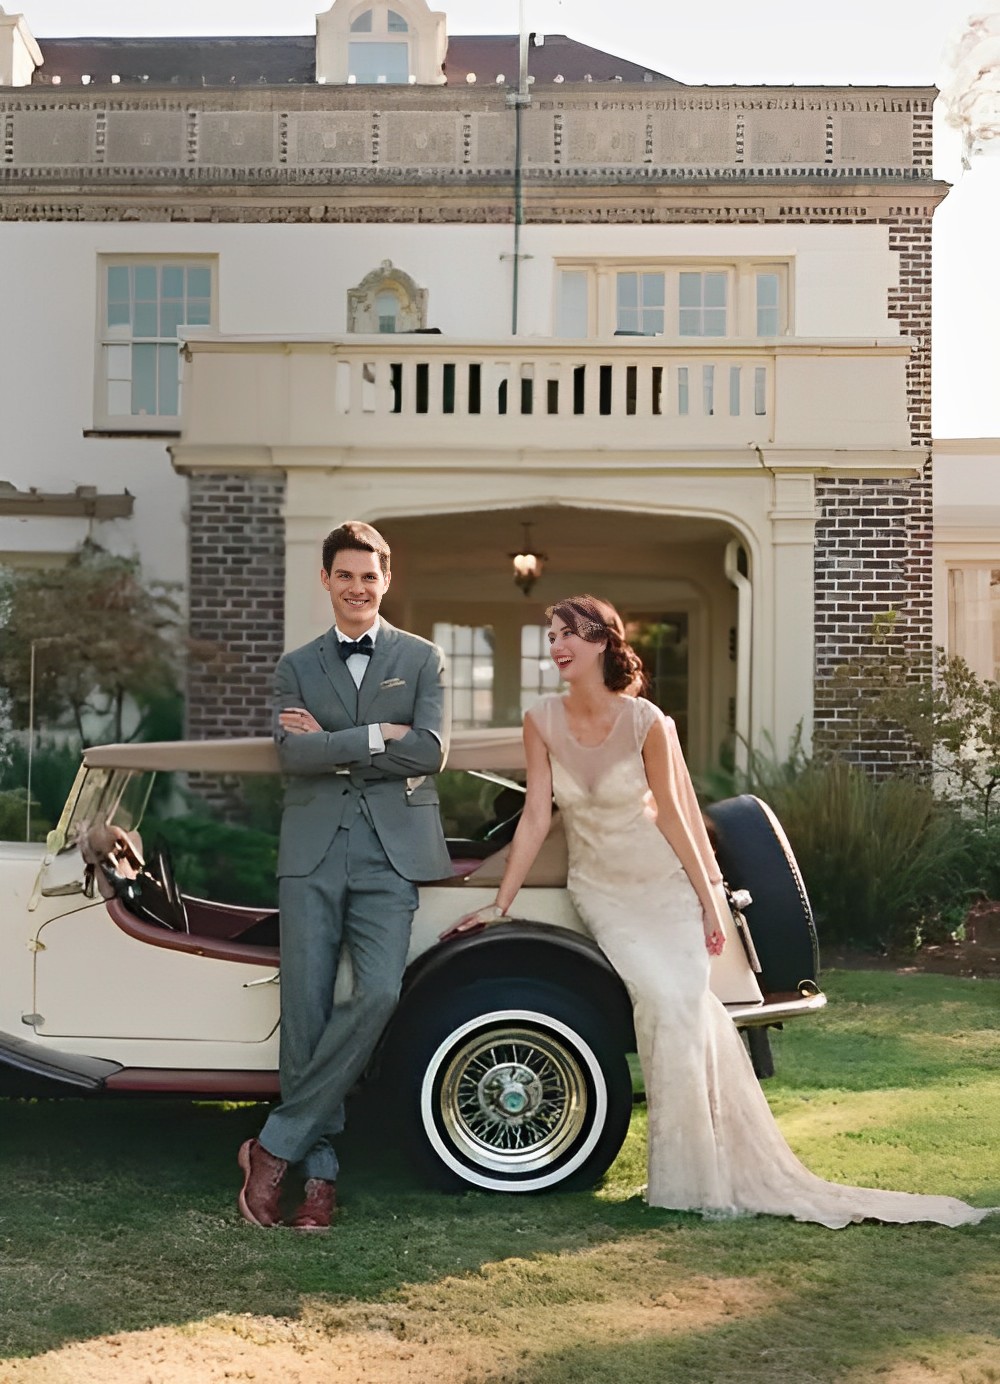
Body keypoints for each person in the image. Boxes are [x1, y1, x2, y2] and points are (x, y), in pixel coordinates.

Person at [445, 595, 994, 1228]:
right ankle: (688, 1177)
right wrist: (500, 903)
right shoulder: (540, 719)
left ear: (602, 642)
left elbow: (676, 816)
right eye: (552, 633)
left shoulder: (648, 720)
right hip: (604, 892)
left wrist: (712, 905)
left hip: (665, 887)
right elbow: (538, 817)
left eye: (569, 632)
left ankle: (697, 1180)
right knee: (660, 1003)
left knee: (682, 1006)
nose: (556, 643)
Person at [238, 520, 450, 1231]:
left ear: (387, 581)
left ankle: (272, 1147)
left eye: (370, 575)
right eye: (346, 575)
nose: (358, 587)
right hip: (312, 853)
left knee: (381, 990)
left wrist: (330, 743)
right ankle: (319, 1177)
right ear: (325, 580)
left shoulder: (422, 659)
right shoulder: (295, 665)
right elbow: (290, 757)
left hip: (392, 855)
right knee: (304, 1012)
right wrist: (370, 737)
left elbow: (429, 752)